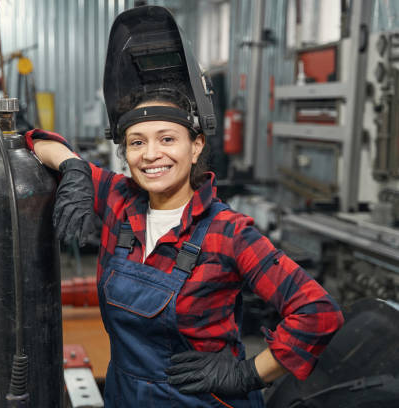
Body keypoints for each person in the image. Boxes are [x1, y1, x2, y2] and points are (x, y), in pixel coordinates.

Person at [24, 6, 344, 407]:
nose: (151, 154)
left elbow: (318, 313)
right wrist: (72, 166)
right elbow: (36, 139)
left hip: (203, 400)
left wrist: (248, 373)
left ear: (196, 147)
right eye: (137, 142)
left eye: (167, 139)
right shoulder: (119, 200)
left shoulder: (228, 232)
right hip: (127, 395)